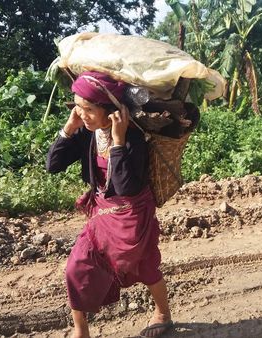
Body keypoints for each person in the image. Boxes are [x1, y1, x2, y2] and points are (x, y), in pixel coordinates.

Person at [45, 71, 173, 338]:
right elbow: (53, 165)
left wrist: (118, 142)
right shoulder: (86, 132)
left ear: (111, 110)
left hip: (133, 213)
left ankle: (163, 313)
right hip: (102, 212)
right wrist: (69, 129)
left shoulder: (134, 139)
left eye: (88, 109)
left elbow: (126, 186)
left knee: (145, 266)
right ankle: (81, 331)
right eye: (77, 107)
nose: (82, 114)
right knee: (76, 266)